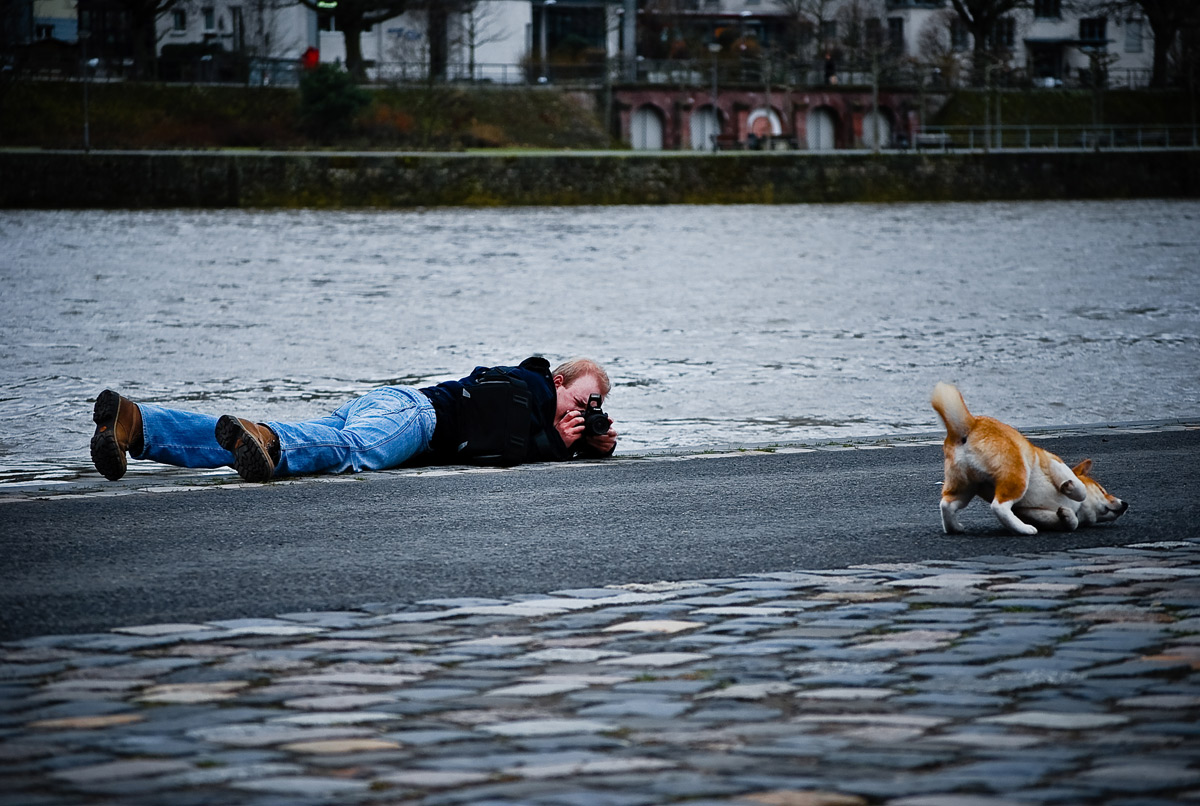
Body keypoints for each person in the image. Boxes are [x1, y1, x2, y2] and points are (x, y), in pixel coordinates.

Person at [90, 356, 618, 483]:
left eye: (593, 409)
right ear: (557, 382)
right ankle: (272, 444)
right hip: (418, 417)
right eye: (581, 398)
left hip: (392, 402)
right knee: (349, 453)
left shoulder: (539, 413)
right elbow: (501, 446)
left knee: (316, 438)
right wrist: (554, 441)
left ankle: (138, 425)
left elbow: (513, 442)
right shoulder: (529, 384)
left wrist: (585, 445)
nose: (582, 411)